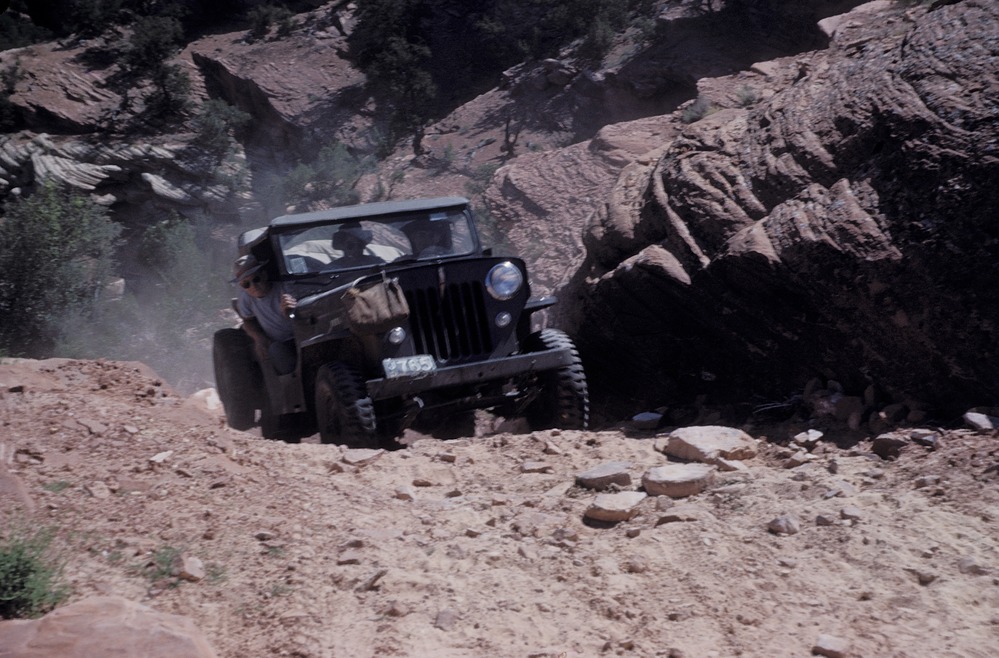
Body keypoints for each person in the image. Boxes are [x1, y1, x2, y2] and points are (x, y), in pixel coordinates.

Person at [232, 254, 298, 375]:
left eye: (256, 279)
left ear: (264, 274)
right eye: (246, 284)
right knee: (278, 353)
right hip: (280, 343)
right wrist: (258, 338)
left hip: (302, 335)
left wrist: (292, 310)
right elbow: (248, 320)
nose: (253, 286)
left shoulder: (285, 288)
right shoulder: (246, 298)